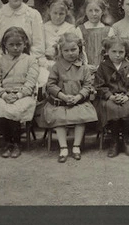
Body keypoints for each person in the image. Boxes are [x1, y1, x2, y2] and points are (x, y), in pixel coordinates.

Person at [0, 27, 39, 158]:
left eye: (19, 44)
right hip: (3, 94)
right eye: (11, 44)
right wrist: (4, 95)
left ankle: (16, 143)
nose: (15, 48)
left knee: (15, 109)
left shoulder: (31, 60)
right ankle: (7, 143)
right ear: (4, 44)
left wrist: (18, 95)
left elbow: (31, 82)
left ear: (25, 44)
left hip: (23, 95)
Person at [40, 32, 98, 163]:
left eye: (73, 49)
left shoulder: (84, 68)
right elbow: (51, 85)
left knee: (80, 118)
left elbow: (87, 85)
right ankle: (63, 147)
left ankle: (76, 146)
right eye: (66, 50)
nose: (70, 53)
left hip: (78, 102)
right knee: (59, 119)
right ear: (61, 51)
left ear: (80, 49)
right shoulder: (56, 67)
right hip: (60, 102)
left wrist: (78, 97)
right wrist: (63, 96)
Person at [94, 36, 129, 158]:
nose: (117, 55)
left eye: (121, 52)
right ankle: (114, 140)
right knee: (111, 107)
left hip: (127, 97)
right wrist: (110, 96)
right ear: (107, 52)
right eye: (114, 51)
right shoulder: (103, 67)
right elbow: (99, 85)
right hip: (109, 98)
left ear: (126, 52)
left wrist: (128, 96)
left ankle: (127, 140)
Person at [73, 0, 115, 71]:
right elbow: (78, 51)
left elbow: (111, 51)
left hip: (104, 68)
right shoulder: (79, 29)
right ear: (85, 12)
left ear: (102, 11)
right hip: (84, 68)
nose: (94, 14)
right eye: (90, 11)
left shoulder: (109, 30)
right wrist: (85, 65)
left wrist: (103, 65)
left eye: (97, 10)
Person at [42, 0, 76, 70]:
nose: (58, 17)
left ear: (66, 14)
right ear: (49, 12)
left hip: (66, 63)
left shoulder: (70, 28)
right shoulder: (43, 27)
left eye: (61, 14)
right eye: (55, 13)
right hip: (47, 63)